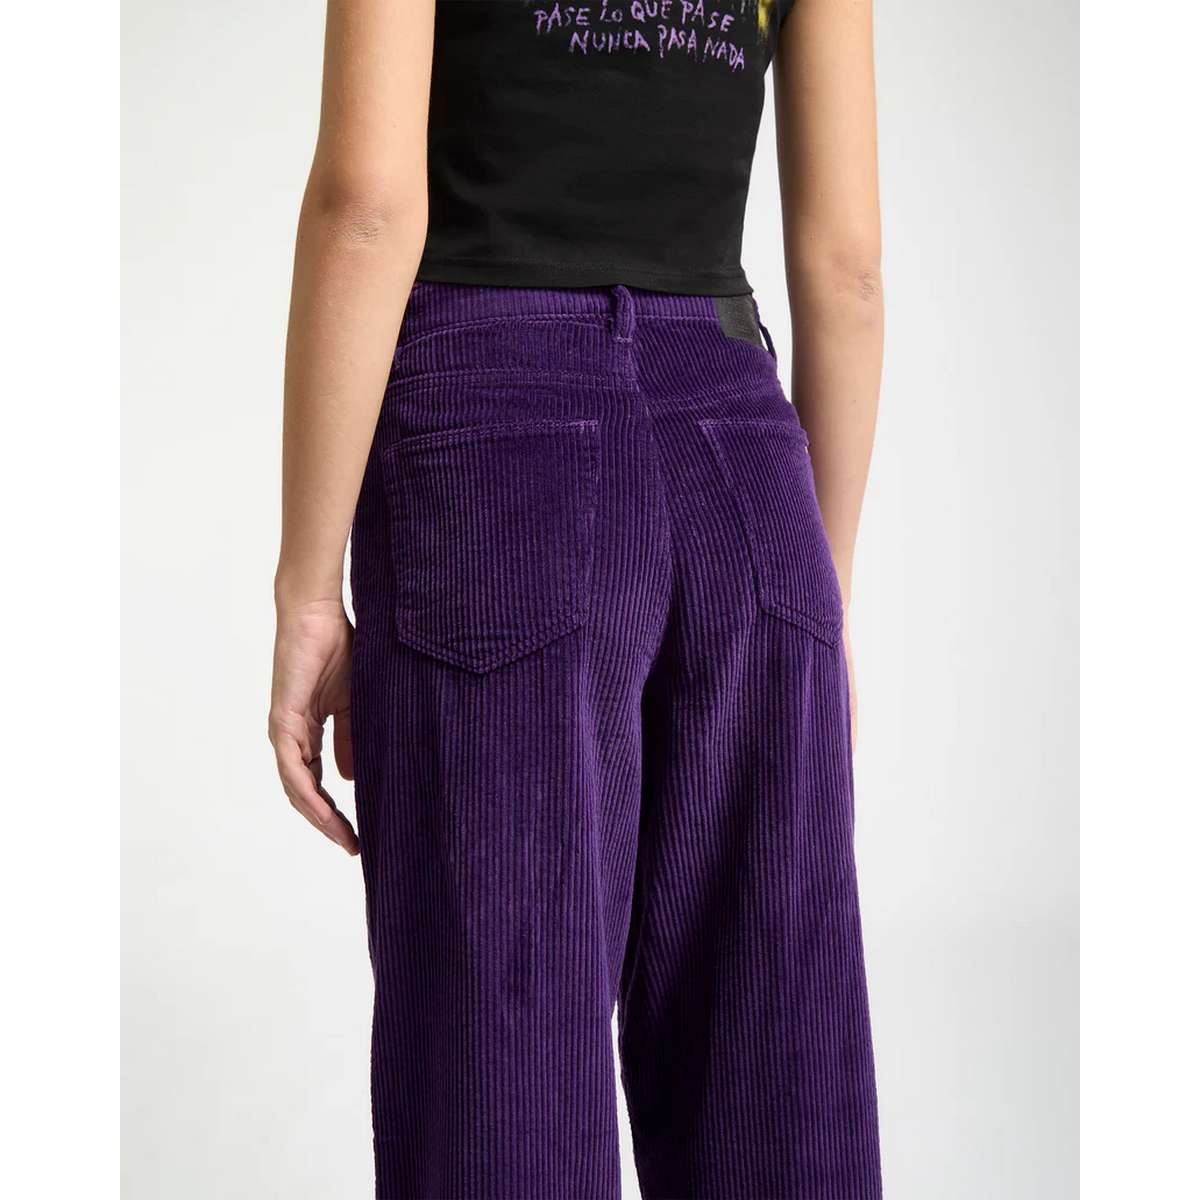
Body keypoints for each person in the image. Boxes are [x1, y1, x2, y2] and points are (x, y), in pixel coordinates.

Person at [268, 1, 884, 1195]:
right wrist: (827, 590)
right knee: (775, 1086)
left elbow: (368, 207)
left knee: (501, 1091)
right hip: (745, 463)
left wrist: (306, 592)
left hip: (495, 446)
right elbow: (846, 268)